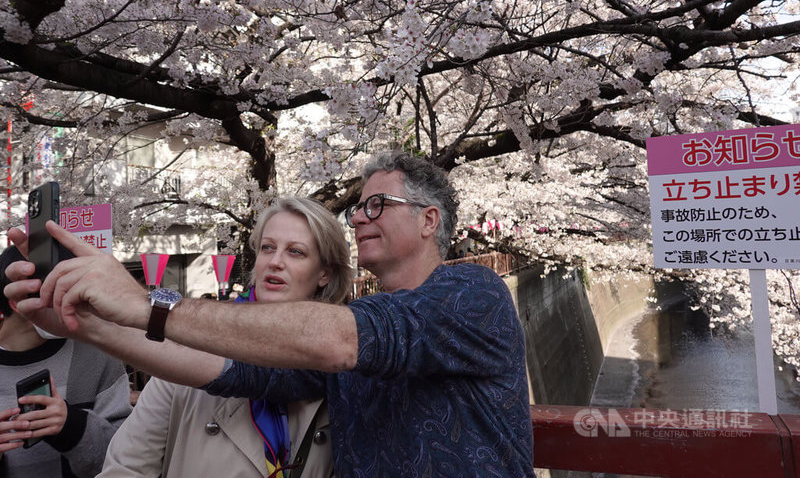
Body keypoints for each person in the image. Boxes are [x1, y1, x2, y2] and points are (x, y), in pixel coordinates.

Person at [6, 151, 535, 477]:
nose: (362, 219)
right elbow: (226, 369)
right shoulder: (349, 330)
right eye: (358, 210)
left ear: (429, 221)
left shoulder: (472, 291)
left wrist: (146, 303)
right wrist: (89, 324)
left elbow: (344, 341)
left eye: (378, 206)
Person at [99, 197, 350, 478]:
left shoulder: (340, 367)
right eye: (267, 248)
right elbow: (125, 469)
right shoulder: (188, 349)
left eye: (295, 252)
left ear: (324, 274)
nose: (275, 262)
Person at [0, 246, 132, 478]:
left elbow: (129, 456)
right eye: (64, 293)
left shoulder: (98, 355)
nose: (79, 306)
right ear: (19, 300)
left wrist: (72, 427)